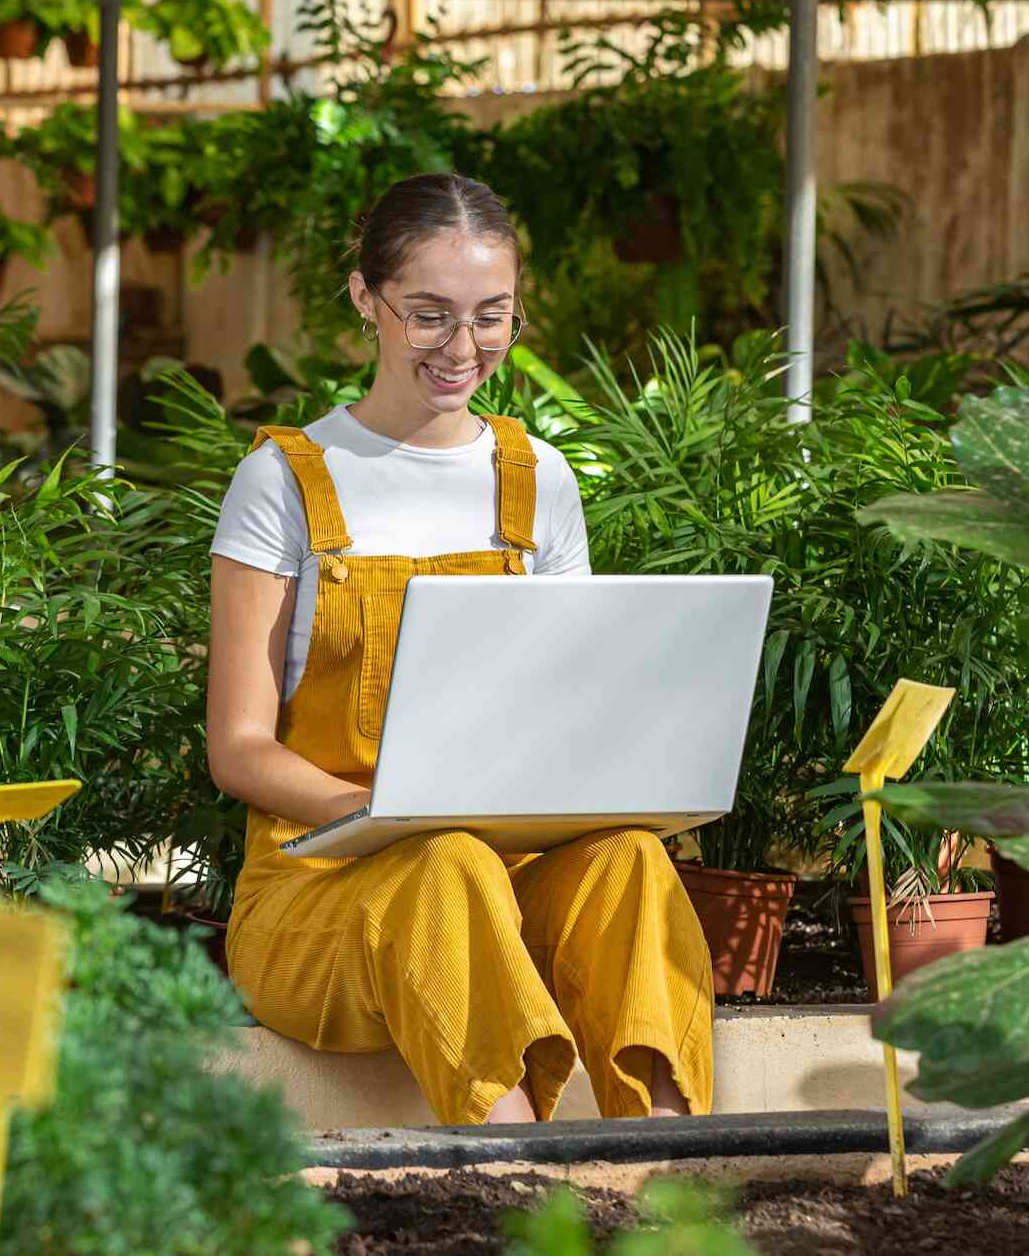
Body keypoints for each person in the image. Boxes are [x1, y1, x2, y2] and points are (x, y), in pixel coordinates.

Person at [205, 172, 714, 1126]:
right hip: (324, 889)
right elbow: (237, 748)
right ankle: (516, 1183)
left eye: (493, 317)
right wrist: (389, 816)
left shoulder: (539, 480)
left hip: (505, 874)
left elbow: (569, 710)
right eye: (428, 316)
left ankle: (671, 1173)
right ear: (366, 298)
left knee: (633, 860)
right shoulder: (282, 481)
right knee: (447, 862)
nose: (463, 348)